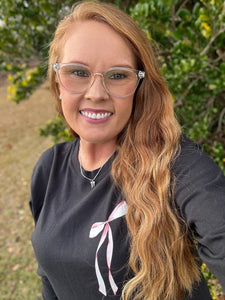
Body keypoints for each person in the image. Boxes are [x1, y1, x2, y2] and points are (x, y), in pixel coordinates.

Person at [29, 1, 225, 299]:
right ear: (57, 82)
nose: (96, 93)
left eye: (118, 75)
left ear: (139, 86)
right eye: (78, 72)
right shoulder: (48, 169)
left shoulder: (177, 165)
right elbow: (51, 277)